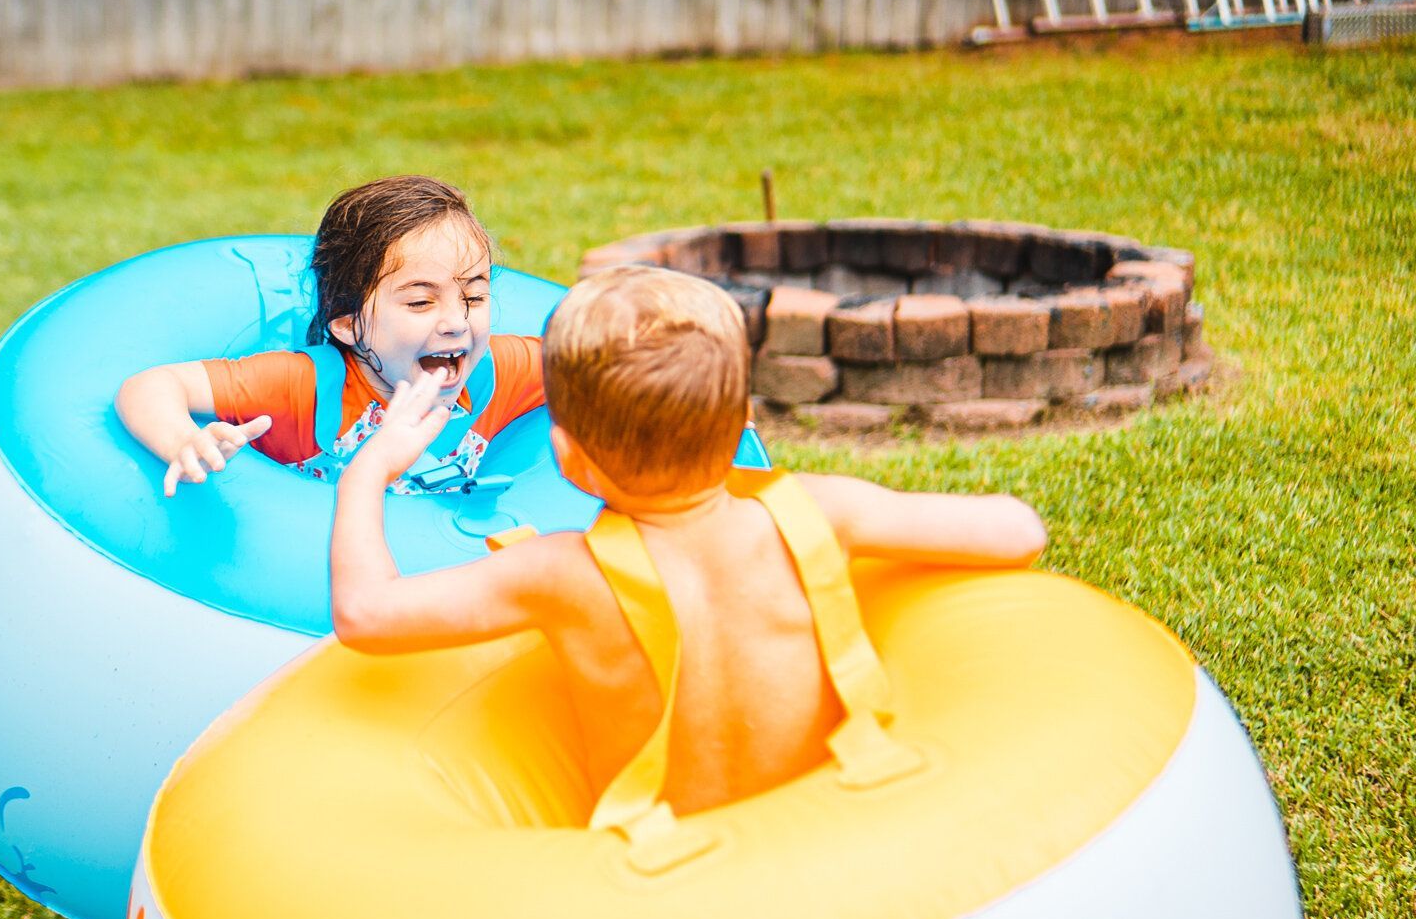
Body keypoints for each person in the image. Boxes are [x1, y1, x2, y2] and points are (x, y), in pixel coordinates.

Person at [329, 264, 1048, 817]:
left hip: (667, 880)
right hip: (827, 830)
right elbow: (1020, 531)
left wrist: (367, 471)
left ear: (570, 458)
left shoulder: (560, 575)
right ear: (739, 420)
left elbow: (365, 614)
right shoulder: (822, 511)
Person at [116, 175, 545, 497]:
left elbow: (595, 357)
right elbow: (149, 386)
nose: (456, 321)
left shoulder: (494, 376)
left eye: (474, 295)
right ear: (349, 324)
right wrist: (182, 440)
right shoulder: (303, 388)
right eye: (420, 303)